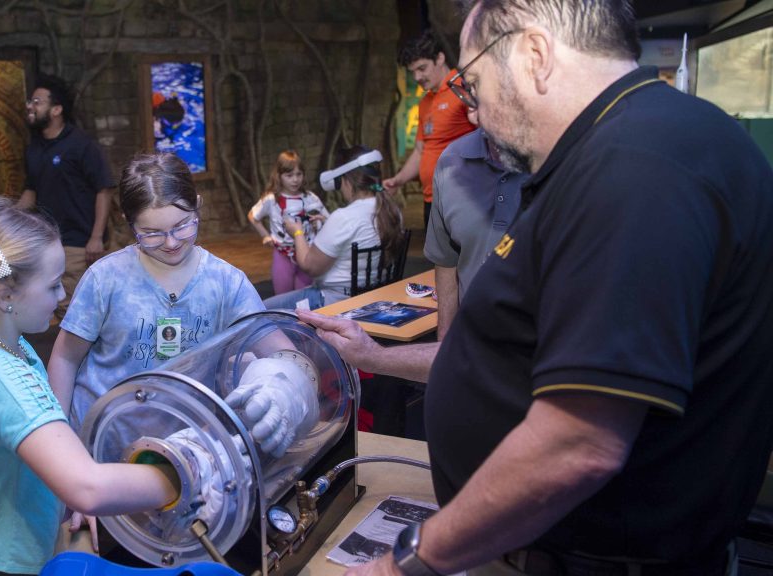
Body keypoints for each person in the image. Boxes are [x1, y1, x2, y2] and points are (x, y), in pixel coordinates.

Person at [300, 1, 773, 574]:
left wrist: (406, 563)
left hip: (593, 557)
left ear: (534, 55)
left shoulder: (634, 168)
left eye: (473, 85)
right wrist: (372, 353)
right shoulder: (628, 144)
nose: (474, 115)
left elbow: (580, 441)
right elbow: (517, 357)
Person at [0, 196, 179, 576]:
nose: (62, 297)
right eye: (54, 285)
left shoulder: (9, 345)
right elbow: (87, 487)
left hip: (0, 548)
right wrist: (182, 474)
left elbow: (47, 456)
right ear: (6, 294)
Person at [47, 152, 265, 434]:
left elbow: (277, 346)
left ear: (197, 205)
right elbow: (66, 358)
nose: (171, 243)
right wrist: (59, 435)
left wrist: (282, 382)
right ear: (129, 221)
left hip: (182, 444)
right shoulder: (105, 278)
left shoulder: (226, 282)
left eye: (182, 225)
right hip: (99, 436)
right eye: (152, 233)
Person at [18, 74, 116, 318]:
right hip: (48, 241)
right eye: (31, 101)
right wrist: (7, 218)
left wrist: (96, 237)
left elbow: (104, 189)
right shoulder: (34, 148)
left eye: (37, 101)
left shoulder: (80, 145)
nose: (30, 106)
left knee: (71, 309)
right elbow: (31, 191)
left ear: (56, 109)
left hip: (79, 243)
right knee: (63, 309)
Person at [424, 107, 527, 337]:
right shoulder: (451, 161)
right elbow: (446, 261)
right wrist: (445, 344)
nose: (471, 110)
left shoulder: (561, 155)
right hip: (475, 343)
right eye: (470, 88)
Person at [263, 146, 405, 311]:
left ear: (346, 180)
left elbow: (310, 267)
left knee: (262, 309)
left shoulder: (344, 217)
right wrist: (329, 223)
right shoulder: (392, 211)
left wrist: (297, 232)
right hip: (376, 295)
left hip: (337, 300)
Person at [384, 30, 476, 229]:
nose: (417, 76)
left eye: (422, 68)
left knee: (463, 259)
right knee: (439, 259)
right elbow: (420, 150)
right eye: (412, 71)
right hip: (431, 198)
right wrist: (398, 180)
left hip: (462, 196)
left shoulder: (463, 88)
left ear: (440, 58)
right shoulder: (424, 102)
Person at [248, 150, 330, 295]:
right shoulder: (271, 199)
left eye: (299, 174)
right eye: (289, 175)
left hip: (307, 255)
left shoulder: (310, 198)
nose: (295, 180)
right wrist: (265, 236)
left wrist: (322, 221)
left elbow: (329, 220)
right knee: (283, 296)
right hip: (282, 255)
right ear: (279, 176)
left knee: (304, 298)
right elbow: (253, 216)